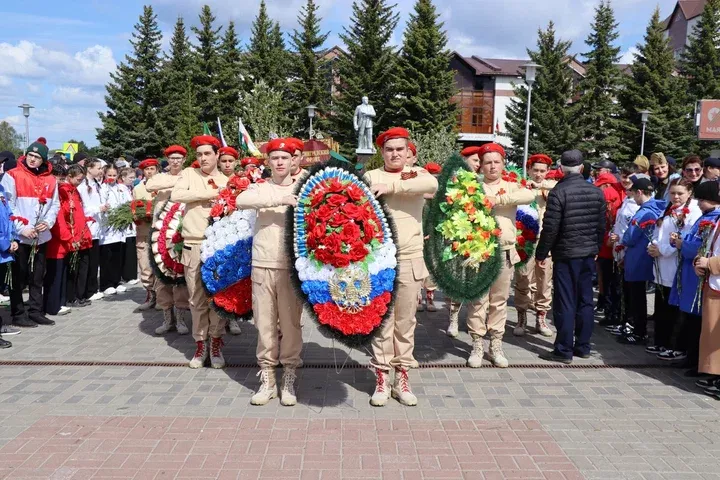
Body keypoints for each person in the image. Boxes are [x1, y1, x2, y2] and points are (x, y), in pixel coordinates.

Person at [364, 127, 438, 406]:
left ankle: (402, 377)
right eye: (389, 149)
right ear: (382, 152)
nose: (395, 154)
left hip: (410, 257)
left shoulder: (418, 175)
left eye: (400, 149)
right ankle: (382, 377)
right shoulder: (372, 176)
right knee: (382, 321)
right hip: (380, 259)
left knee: (405, 322)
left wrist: (393, 186)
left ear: (409, 152)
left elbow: (432, 187)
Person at [235, 138, 304, 406]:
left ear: (293, 161)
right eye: (275, 158)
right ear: (269, 162)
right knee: (264, 323)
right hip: (262, 263)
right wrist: (280, 198)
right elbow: (241, 200)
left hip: (290, 265)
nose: (279, 163)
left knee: (291, 324)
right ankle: (267, 379)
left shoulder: (303, 187)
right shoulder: (259, 188)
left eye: (285, 158)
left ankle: (289, 375)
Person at [464, 143, 534, 368]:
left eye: (496, 162)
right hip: (478, 252)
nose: (492, 166)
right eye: (487, 162)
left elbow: (528, 195)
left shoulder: (511, 186)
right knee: (477, 300)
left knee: (499, 301)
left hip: (504, 252)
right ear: (481, 166)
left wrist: (499, 200)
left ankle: (496, 344)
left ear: (503, 164)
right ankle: (476, 343)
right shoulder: (471, 186)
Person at [535, 150, 606, 364]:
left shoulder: (559, 192)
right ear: (582, 168)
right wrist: (595, 248)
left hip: (566, 254)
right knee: (585, 300)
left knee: (565, 301)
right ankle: (583, 346)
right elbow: (601, 226)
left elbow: (550, 227)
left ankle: (564, 349)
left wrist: (541, 252)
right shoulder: (596, 192)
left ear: (560, 170)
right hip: (587, 254)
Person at [171, 135, 228, 369]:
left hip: (218, 246)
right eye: (199, 154)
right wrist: (208, 195)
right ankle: (200, 343)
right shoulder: (188, 175)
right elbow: (177, 195)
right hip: (193, 243)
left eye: (207, 154)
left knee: (217, 297)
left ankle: (215, 342)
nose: (203, 158)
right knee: (196, 297)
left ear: (217, 155)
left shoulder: (227, 180)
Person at [1, 141, 60, 328]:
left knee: (37, 275)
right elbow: (8, 205)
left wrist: (47, 222)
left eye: (37, 157)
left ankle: (35, 311)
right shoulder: (13, 175)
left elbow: (55, 205)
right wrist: (20, 228)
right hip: (20, 236)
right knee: (18, 276)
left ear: (43, 160)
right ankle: (18, 313)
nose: (32, 159)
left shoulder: (51, 179)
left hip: (40, 236)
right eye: (30, 156)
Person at [669, 181, 720, 375]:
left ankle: (696, 361)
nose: (698, 204)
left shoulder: (713, 219)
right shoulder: (706, 217)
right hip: (692, 272)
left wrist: (682, 244)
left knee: (697, 321)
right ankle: (691, 358)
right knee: (691, 319)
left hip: (699, 276)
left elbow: (699, 246)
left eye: (701, 200)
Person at [647, 179, 700, 356]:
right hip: (662, 265)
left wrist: (661, 250)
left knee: (674, 309)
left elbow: (682, 240)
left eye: (680, 193)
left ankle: (674, 345)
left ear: (689, 193)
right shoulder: (668, 210)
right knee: (661, 306)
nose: (676, 197)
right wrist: (653, 245)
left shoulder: (693, 212)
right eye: (673, 193)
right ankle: (660, 341)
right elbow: (658, 233)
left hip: (676, 264)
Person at [146, 145, 191, 336]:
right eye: (172, 158)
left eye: (178, 158)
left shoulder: (189, 175)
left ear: (183, 160)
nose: (175, 161)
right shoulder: (160, 177)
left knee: (179, 276)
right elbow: (149, 185)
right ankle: (167, 319)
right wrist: (174, 185)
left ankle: (180, 319)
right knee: (161, 275)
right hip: (159, 231)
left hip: (179, 231)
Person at [618, 177, 666, 345]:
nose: (633, 197)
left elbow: (630, 236)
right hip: (643, 258)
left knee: (637, 297)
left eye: (633, 193)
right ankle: (638, 328)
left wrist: (622, 239)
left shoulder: (644, 212)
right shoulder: (656, 209)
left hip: (637, 258)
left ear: (639, 192)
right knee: (638, 296)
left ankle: (639, 331)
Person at [514, 153, 557, 337]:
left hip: (545, 242)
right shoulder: (521, 187)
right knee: (522, 279)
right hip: (525, 241)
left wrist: (542, 186)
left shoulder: (551, 187)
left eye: (542, 171)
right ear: (529, 170)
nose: (538, 174)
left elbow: (556, 188)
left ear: (547, 172)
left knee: (545, 281)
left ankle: (541, 318)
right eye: (535, 170)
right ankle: (521, 318)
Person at [446, 146, 483, 336]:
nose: (478, 164)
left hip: (479, 240)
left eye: (479, 161)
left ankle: (476, 326)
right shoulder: (453, 180)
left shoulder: (483, 181)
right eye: (475, 160)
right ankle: (453, 316)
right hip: (457, 237)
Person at [44, 166, 89, 316]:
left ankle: (60, 302)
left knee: (61, 273)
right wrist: (69, 238)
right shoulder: (61, 193)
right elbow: (59, 221)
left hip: (66, 240)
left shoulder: (69, 192)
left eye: (62, 179)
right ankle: (53, 305)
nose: (61, 182)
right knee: (55, 274)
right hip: (57, 240)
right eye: (60, 178)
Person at [694, 197, 720, 390]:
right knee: (712, 333)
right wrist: (699, 262)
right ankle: (714, 372)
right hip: (713, 283)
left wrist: (710, 264)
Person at [593, 172, 625, 327]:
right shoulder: (618, 193)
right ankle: (612, 312)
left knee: (610, 282)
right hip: (610, 245)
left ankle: (612, 313)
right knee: (612, 282)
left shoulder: (609, 194)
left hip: (609, 245)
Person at [132, 158, 160, 310]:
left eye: (152, 169)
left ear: (157, 170)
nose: (149, 172)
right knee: (144, 263)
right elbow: (134, 206)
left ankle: (163, 297)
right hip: (143, 230)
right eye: (146, 169)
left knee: (159, 263)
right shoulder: (138, 188)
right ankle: (150, 294)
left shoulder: (162, 187)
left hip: (158, 230)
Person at [79, 158, 105, 301]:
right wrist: (98, 208)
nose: (101, 170)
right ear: (89, 168)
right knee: (87, 262)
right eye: (98, 168)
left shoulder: (96, 184)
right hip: (88, 227)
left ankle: (92, 288)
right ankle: (87, 291)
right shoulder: (83, 185)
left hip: (96, 227)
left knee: (94, 261)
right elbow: (84, 207)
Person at [98, 165, 126, 296]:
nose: (112, 178)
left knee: (117, 255)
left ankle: (116, 281)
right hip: (106, 227)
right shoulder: (102, 188)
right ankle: (106, 283)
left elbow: (127, 202)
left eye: (114, 175)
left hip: (119, 227)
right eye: (109, 175)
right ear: (104, 175)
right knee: (107, 256)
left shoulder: (122, 188)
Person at [0, 179, 19, 348]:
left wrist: (14, 239)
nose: (1, 170)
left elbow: (9, 217)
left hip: (4, 251)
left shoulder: (1, 189)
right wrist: (5, 244)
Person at [119, 168, 138, 286]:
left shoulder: (129, 188)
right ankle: (127, 276)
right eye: (130, 178)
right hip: (125, 224)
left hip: (131, 225)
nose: (132, 180)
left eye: (133, 177)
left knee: (131, 250)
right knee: (127, 251)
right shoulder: (121, 189)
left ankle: (131, 275)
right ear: (123, 178)